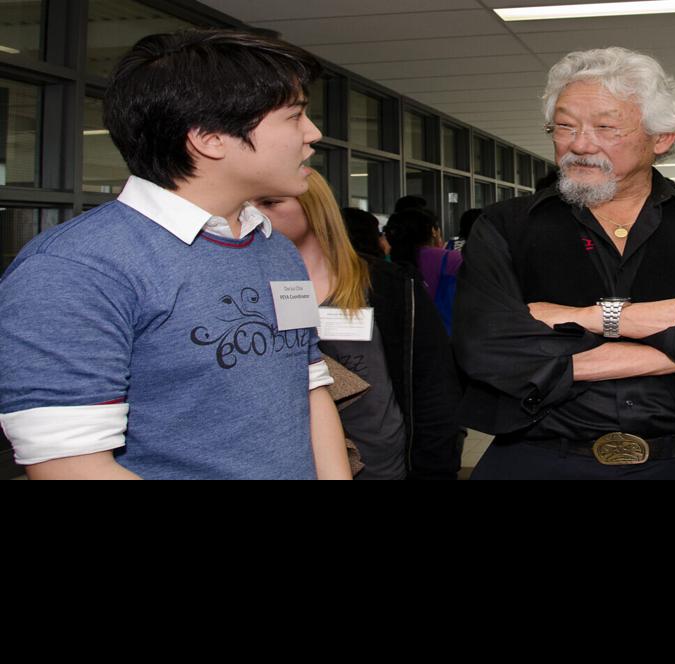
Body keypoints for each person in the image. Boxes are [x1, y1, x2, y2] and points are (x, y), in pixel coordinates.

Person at [0, 29, 349, 479]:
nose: (313, 133)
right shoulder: (76, 269)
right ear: (209, 138)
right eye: (294, 116)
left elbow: (308, 386)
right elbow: (71, 467)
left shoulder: (274, 247)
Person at [453, 46, 675, 480]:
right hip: (541, 457)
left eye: (605, 128)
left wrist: (595, 318)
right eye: (564, 126)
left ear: (662, 137)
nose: (579, 145)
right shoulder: (506, 225)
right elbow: (486, 347)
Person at [258, 170, 464, 479]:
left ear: (316, 207)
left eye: (271, 202)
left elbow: (433, 387)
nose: (256, 214)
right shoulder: (248, 291)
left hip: (384, 468)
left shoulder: (390, 286)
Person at [384, 207, 461, 334]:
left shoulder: (386, 262)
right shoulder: (451, 259)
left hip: (401, 336)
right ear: (433, 231)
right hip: (445, 336)